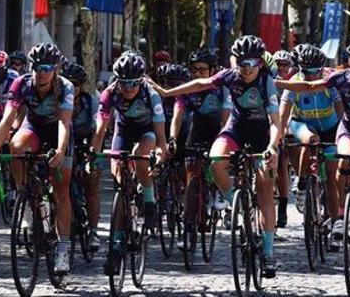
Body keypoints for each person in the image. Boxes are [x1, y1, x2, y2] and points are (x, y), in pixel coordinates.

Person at [154, 35, 282, 277]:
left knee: (265, 189)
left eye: (251, 64)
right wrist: (168, 92)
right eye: (241, 64)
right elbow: (199, 84)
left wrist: (273, 147)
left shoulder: (267, 82)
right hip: (235, 128)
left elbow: (275, 122)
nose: (246, 70)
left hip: (262, 134)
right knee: (215, 160)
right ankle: (238, 201)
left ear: (260, 64)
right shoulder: (229, 76)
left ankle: (267, 252)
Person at [274, 38, 350, 267]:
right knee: (341, 159)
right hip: (349, 131)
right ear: (349, 62)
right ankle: (339, 216)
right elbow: (309, 87)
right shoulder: (339, 79)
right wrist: (280, 84)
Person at [0, 43, 74, 273]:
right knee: (16, 145)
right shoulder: (21, 84)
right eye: (37, 67)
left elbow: (64, 123)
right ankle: (25, 196)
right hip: (34, 127)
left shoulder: (65, 87)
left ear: (56, 69)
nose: (41, 72)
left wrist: (60, 150)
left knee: (61, 189)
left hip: (58, 132)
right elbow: (7, 121)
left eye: (47, 67)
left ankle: (63, 249)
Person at [94, 53, 168, 275]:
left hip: (147, 133)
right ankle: (116, 246)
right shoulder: (110, 93)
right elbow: (100, 129)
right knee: (120, 182)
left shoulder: (151, 94)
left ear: (141, 80)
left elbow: (161, 137)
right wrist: (93, 154)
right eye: (123, 82)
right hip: (123, 132)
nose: (128, 88)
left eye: (133, 83)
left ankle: (149, 201)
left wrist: (160, 153)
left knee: (139, 154)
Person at [169, 48, 232, 250]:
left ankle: (219, 191)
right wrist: (172, 138)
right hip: (197, 131)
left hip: (218, 130)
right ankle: (188, 231)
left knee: (218, 160)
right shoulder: (189, 88)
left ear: (213, 70)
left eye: (202, 70)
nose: (197, 74)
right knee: (191, 180)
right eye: (194, 69)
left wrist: (221, 141)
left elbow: (226, 118)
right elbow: (177, 116)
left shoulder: (222, 88)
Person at [279, 44, 343, 239]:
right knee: (311, 140)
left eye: (315, 72)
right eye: (306, 72)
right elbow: (283, 115)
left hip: (331, 128)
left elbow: (342, 113)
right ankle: (302, 183)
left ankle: (337, 220)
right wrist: (278, 137)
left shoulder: (330, 82)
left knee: (332, 177)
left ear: (322, 69)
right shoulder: (294, 83)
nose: (311, 77)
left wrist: (345, 137)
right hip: (303, 124)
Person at [62, 62, 102, 251]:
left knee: (91, 180)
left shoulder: (91, 102)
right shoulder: (56, 100)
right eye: (68, 83)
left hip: (86, 142)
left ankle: (93, 231)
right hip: (62, 144)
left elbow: (99, 129)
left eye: (76, 84)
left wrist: (92, 153)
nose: (72, 87)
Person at [272, 49, 295, 228]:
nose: (281, 68)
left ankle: (282, 207)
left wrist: (285, 127)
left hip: (287, 123)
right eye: (278, 65)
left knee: (282, 165)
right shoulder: (270, 79)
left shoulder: (293, 81)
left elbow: (291, 110)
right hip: (271, 123)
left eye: (285, 65)